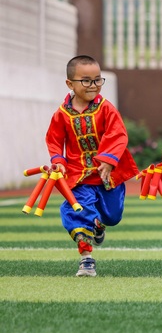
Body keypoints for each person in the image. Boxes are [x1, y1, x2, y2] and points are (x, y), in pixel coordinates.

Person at [46, 55, 139, 277]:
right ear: (70, 84)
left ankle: (100, 225)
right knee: (78, 210)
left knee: (113, 217)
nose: (93, 85)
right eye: (86, 81)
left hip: (108, 176)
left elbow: (118, 134)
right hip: (78, 176)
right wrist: (58, 162)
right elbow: (54, 140)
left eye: (98, 80)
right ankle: (86, 259)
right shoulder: (61, 114)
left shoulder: (106, 108)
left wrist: (107, 161)